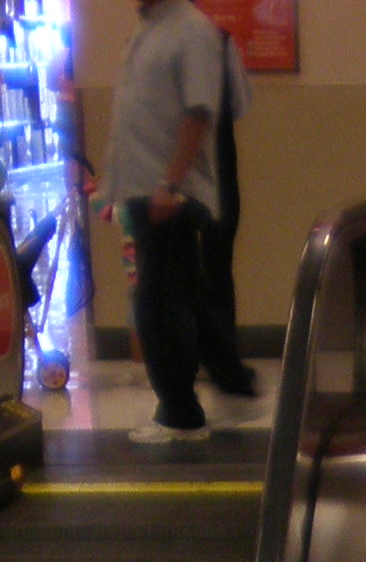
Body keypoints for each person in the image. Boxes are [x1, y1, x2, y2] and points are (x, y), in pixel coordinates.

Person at [107, 0, 255, 443]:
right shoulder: (148, 31)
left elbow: (199, 113)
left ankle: (180, 415)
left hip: (168, 192)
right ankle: (234, 384)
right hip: (143, 186)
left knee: (159, 303)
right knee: (184, 293)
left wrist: (170, 184)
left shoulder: (190, 31)